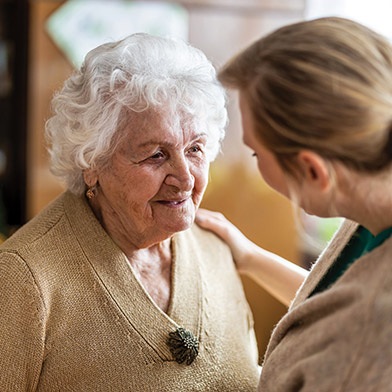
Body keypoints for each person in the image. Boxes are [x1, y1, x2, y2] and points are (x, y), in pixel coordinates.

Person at [0, 33, 260, 391]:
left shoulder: (216, 251)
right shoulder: (24, 278)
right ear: (91, 161)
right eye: (156, 154)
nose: (185, 178)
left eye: (196, 149)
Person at [196, 16, 392, 391]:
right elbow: (335, 306)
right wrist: (250, 257)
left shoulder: (366, 344)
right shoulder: (370, 197)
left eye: (255, 154)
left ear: (313, 171)